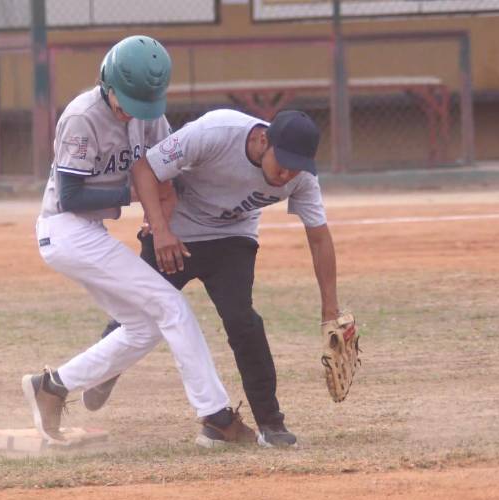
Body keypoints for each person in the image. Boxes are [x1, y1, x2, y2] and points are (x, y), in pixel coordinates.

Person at [23, 36, 256, 448]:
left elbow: (166, 174)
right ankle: (216, 416)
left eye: (143, 104)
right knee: (172, 306)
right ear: (107, 84)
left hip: (89, 232)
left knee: (143, 328)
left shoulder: (150, 114)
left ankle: (53, 386)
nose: (132, 112)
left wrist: (159, 213)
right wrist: (138, 196)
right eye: (126, 102)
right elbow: (71, 197)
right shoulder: (82, 116)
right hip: (65, 229)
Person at [88, 108, 347, 448]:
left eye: (296, 168)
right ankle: (100, 372)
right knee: (138, 313)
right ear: (262, 140)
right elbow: (144, 169)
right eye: (282, 163)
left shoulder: (302, 179)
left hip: (231, 238)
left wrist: (330, 310)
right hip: (175, 233)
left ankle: (271, 424)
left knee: (242, 321)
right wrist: (161, 230)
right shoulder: (215, 131)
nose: (287, 175)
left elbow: (319, 238)